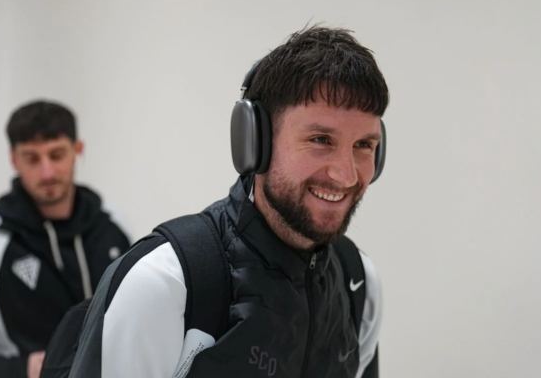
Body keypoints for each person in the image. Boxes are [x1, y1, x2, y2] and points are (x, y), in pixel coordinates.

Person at [68, 25, 388, 378]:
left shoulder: (358, 281)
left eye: (364, 145)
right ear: (255, 142)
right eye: (320, 139)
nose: (346, 175)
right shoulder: (163, 284)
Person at [0, 100, 132, 378]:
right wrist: (24, 369)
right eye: (32, 159)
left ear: (78, 150)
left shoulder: (113, 225)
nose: (47, 172)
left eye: (57, 155)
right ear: (14, 159)